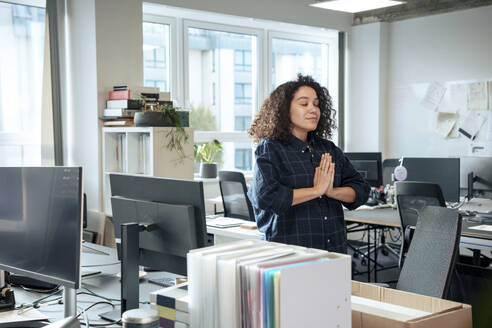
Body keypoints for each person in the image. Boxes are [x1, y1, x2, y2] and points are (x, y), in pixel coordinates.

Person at [247, 74, 370, 253]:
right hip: (291, 252)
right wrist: (315, 191)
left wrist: (332, 191)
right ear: (284, 110)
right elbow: (266, 197)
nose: (313, 110)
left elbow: (361, 189)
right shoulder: (271, 148)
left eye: (316, 104)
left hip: (334, 251)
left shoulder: (328, 149)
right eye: (304, 104)